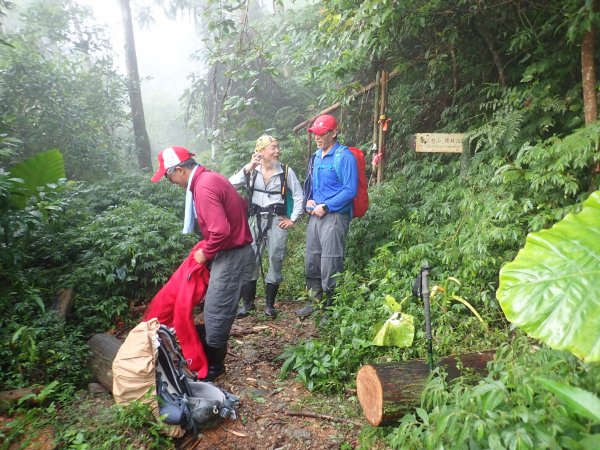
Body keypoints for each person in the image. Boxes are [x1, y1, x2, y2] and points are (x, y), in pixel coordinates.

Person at [150, 146, 254, 381]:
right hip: (230, 251)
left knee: (217, 309)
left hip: (233, 254)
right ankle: (207, 352)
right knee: (215, 306)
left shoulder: (204, 186)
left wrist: (206, 252)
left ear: (178, 170)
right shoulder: (206, 179)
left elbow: (220, 230)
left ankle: (215, 367)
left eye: (168, 177)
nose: (170, 181)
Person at [229, 135, 304, 318]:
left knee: (275, 258)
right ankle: (248, 304)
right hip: (255, 220)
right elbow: (229, 184)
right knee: (250, 259)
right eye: (273, 148)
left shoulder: (286, 171)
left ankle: (269, 305)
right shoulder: (252, 171)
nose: (278, 151)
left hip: (278, 221)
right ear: (261, 152)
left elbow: (299, 195)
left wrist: (293, 219)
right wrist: (248, 167)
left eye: (278, 147)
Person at [295, 115, 358, 317]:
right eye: (315, 134)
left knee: (331, 261)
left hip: (335, 215)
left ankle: (330, 308)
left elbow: (350, 190)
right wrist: (309, 201)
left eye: (322, 133)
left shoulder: (344, 156)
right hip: (315, 215)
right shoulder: (316, 157)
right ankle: (315, 301)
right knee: (312, 259)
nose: (317, 138)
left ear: (333, 133)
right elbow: (311, 186)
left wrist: (327, 206)